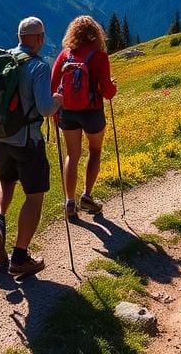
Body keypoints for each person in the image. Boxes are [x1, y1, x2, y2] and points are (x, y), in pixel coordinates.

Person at [0, 16, 61, 276]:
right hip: (26, 139)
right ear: (39, 38)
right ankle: (19, 257)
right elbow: (44, 107)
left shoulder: (3, 59)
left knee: (5, 179)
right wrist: (58, 99)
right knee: (35, 194)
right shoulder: (39, 66)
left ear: (20, 36)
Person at [51, 15, 117, 220]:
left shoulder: (64, 55)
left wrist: (55, 112)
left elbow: (53, 87)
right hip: (92, 111)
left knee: (72, 155)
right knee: (95, 150)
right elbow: (108, 92)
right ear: (96, 34)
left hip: (67, 112)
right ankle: (87, 195)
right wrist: (113, 85)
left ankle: (69, 202)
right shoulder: (99, 57)